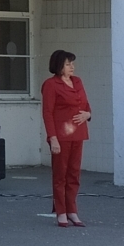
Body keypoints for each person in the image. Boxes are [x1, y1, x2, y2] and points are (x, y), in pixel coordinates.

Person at [42, 50, 91, 228]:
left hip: (78, 133)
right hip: (61, 135)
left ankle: (72, 210)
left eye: (72, 64)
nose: (72, 67)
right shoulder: (51, 85)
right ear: (59, 66)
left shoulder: (77, 81)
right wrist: (52, 138)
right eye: (68, 64)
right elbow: (47, 113)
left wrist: (88, 114)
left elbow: (85, 104)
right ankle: (61, 211)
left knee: (74, 173)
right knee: (60, 175)